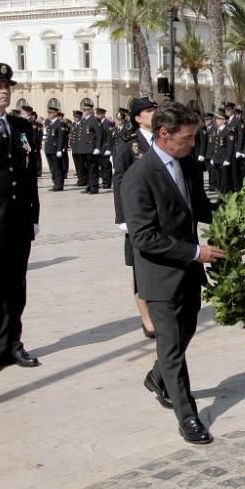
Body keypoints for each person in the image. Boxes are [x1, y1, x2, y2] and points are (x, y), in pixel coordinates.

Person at [121, 101, 223, 444]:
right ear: (164, 134)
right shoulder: (140, 176)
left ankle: (157, 377)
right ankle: (187, 415)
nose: (193, 144)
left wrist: (240, 209)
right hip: (161, 276)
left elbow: (200, 207)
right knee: (171, 345)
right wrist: (197, 252)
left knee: (185, 333)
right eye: (188, 138)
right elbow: (144, 237)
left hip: (189, 275)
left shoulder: (186, 163)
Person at [0, 61, 41, 374]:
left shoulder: (20, 128)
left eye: (7, 86)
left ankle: (13, 343)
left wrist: (34, 214)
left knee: (15, 285)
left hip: (18, 221)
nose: (4, 91)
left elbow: (29, 176)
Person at [113, 96, 159, 339]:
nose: (153, 113)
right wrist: (122, 217)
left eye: (155, 109)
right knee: (139, 270)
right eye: (149, 110)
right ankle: (147, 319)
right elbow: (119, 179)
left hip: (160, 216)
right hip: (136, 216)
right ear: (138, 117)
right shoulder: (128, 143)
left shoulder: (165, 139)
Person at [43, 102, 68, 191]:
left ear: (55, 113)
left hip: (55, 149)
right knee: (52, 168)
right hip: (49, 149)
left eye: (51, 113)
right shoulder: (49, 123)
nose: (49, 114)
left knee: (57, 168)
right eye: (48, 113)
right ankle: (55, 183)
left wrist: (59, 149)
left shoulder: (59, 123)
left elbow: (61, 137)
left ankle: (59, 185)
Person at [97, 107, 115, 189]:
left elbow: (109, 137)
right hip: (100, 148)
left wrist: (108, 149)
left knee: (106, 166)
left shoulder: (107, 123)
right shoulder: (99, 123)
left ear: (103, 114)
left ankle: (107, 182)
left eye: (100, 114)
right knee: (102, 166)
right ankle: (104, 180)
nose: (98, 115)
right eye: (97, 114)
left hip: (105, 148)